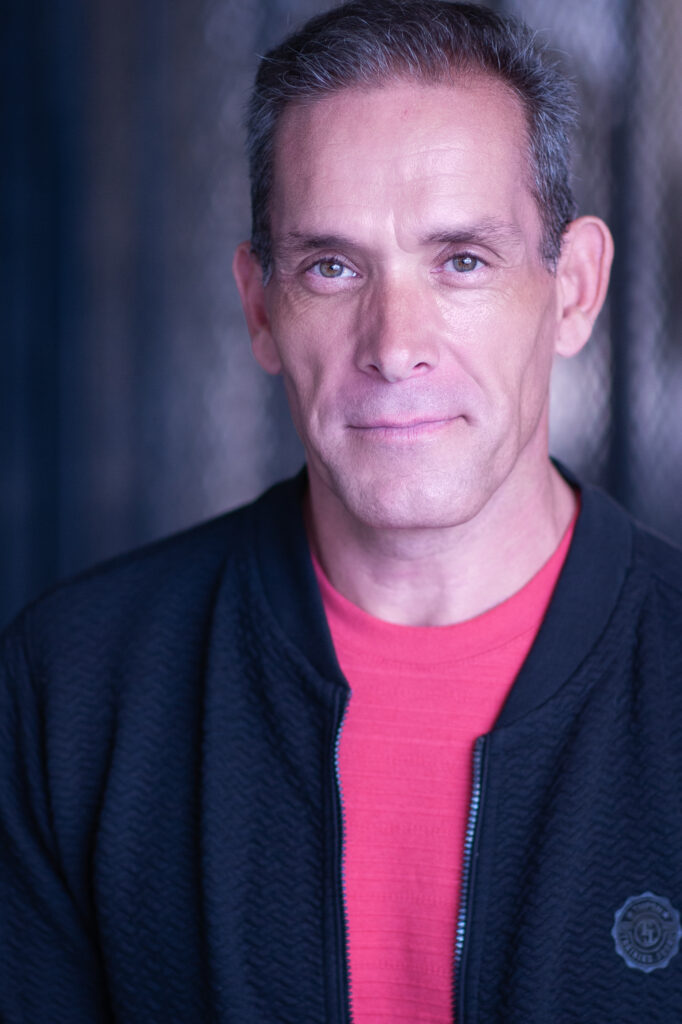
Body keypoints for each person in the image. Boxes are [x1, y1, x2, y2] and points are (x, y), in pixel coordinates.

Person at [2, 1, 682, 1021]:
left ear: (575, 290)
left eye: (461, 261)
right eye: (332, 266)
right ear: (260, 306)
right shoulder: (73, 688)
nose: (394, 345)